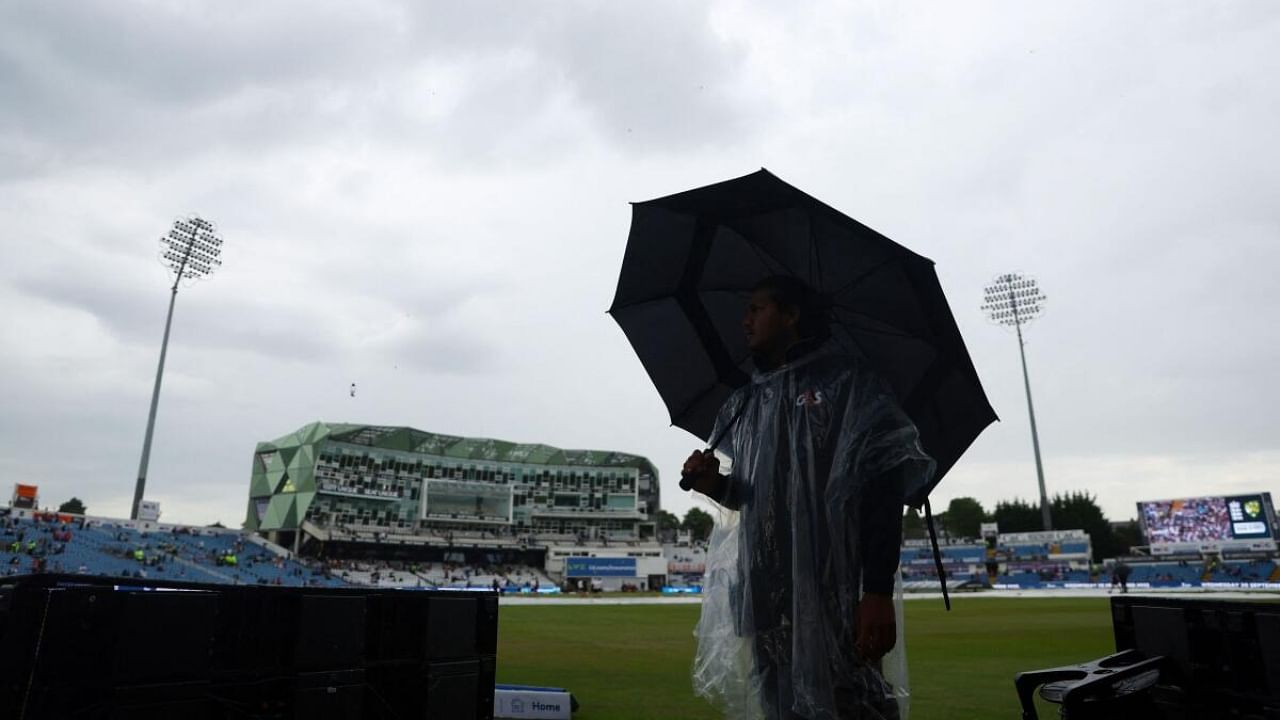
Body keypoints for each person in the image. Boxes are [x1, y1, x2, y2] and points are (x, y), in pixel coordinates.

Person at [682, 276, 934, 720]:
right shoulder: (751, 400)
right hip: (766, 601)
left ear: (791, 314)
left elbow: (881, 488)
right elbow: (757, 498)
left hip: (834, 593)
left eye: (757, 308)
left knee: (854, 707)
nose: (745, 320)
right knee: (783, 709)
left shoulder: (849, 384)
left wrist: (875, 591)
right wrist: (715, 485)